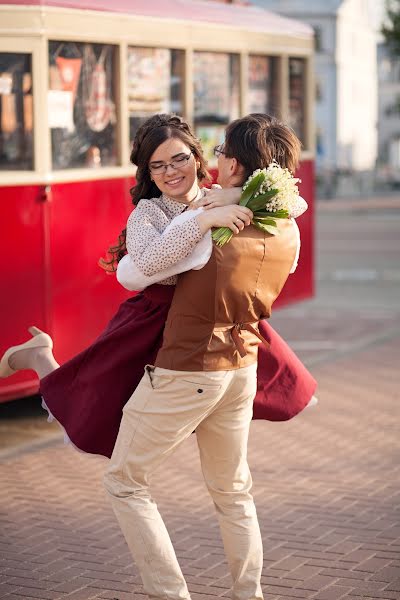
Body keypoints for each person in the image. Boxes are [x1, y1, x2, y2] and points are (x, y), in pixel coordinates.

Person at [0, 114, 316, 460]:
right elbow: (145, 266)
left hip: (205, 322)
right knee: (92, 410)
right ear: (148, 173)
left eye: (179, 159)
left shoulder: (219, 195)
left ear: (198, 158)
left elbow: (292, 204)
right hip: (152, 320)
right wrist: (204, 219)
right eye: (158, 165)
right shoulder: (148, 213)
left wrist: (236, 196)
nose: (171, 171)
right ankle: (40, 355)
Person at [103, 113, 309, 600]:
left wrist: (205, 216)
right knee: (233, 492)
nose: (203, 162)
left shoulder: (210, 234)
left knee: (124, 481)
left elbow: (132, 274)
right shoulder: (286, 231)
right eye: (159, 165)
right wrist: (236, 199)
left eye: (210, 154)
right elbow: (292, 203)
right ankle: (248, 593)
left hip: (189, 369)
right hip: (243, 369)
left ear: (229, 162)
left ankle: (170, 594)